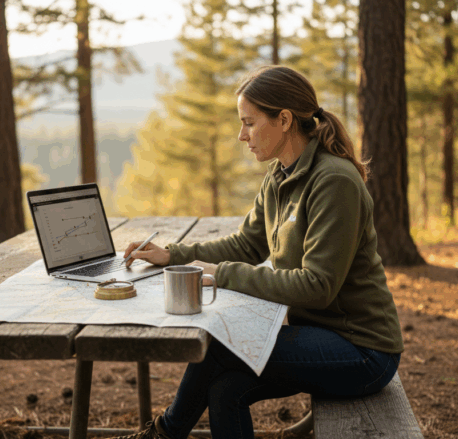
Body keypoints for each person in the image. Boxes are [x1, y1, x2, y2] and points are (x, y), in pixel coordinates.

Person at [112, 65, 404, 439]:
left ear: (283, 120)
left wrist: (222, 274)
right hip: (319, 334)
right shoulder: (280, 176)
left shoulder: (333, 181)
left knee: (217, 344)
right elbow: (246, 244)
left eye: (249, 123)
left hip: (362, 350)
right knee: (225, 388)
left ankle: (164, 434)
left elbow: (318, 286)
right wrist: (173, 255)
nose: (241, 135)